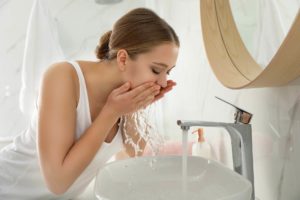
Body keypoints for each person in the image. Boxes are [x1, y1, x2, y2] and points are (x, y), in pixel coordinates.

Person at [0, 7, 179, 199]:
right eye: (155, 70)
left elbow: (135, 154)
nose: (162, 82)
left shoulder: (124, 99)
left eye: (167, 72)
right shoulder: (63, 77)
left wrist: (133, 107)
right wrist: (111, 111)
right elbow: (57, 182)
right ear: (123, 59)